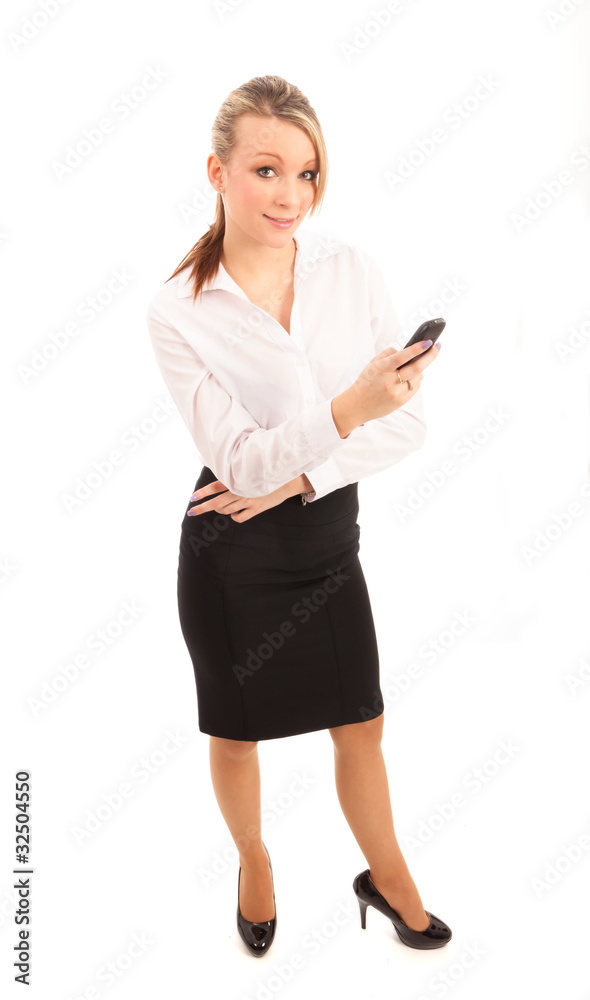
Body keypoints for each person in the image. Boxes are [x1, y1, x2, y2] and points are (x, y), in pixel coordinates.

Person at [146, 74, 451, 957]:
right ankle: (254, 860)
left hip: (324, 539)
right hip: (230, 552)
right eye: (267, 170)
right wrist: (349, 411)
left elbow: (408, 426)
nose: (291, 196)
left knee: (362, 721)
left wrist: (296, 480)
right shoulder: (178, 310)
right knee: (236, 733)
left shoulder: (348, 269)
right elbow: (240, 464)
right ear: (218, 171)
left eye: (307, 173)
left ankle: (389, 879)